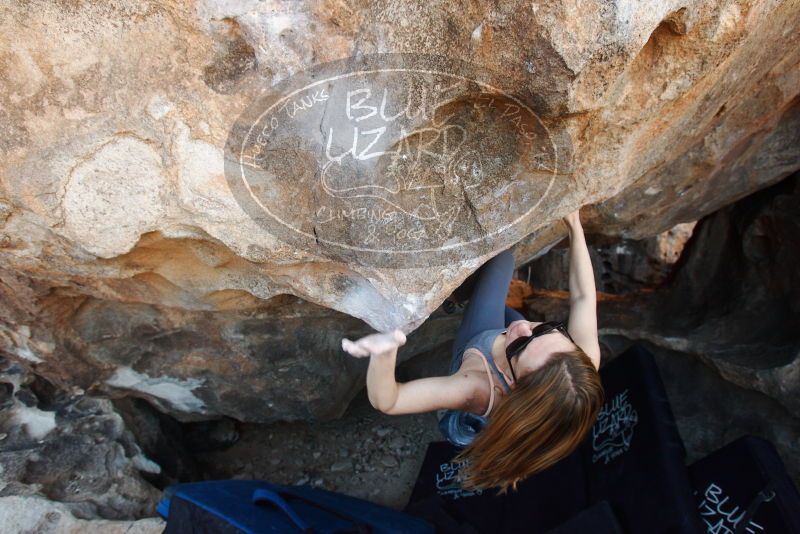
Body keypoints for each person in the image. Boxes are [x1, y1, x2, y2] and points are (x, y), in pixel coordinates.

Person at [341, 209, 604, 495]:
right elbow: (583, 297)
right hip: (508, 354)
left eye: (521, 346)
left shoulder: (475, 388)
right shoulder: (576, 362)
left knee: (501, 261)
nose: (525, 327)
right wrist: (574, 225)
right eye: (547, 329)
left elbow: (389, 401)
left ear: (513, 382)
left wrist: (383, 354)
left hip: (479, 343)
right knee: (508, 289)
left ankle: (454, 298)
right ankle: (473, 302)